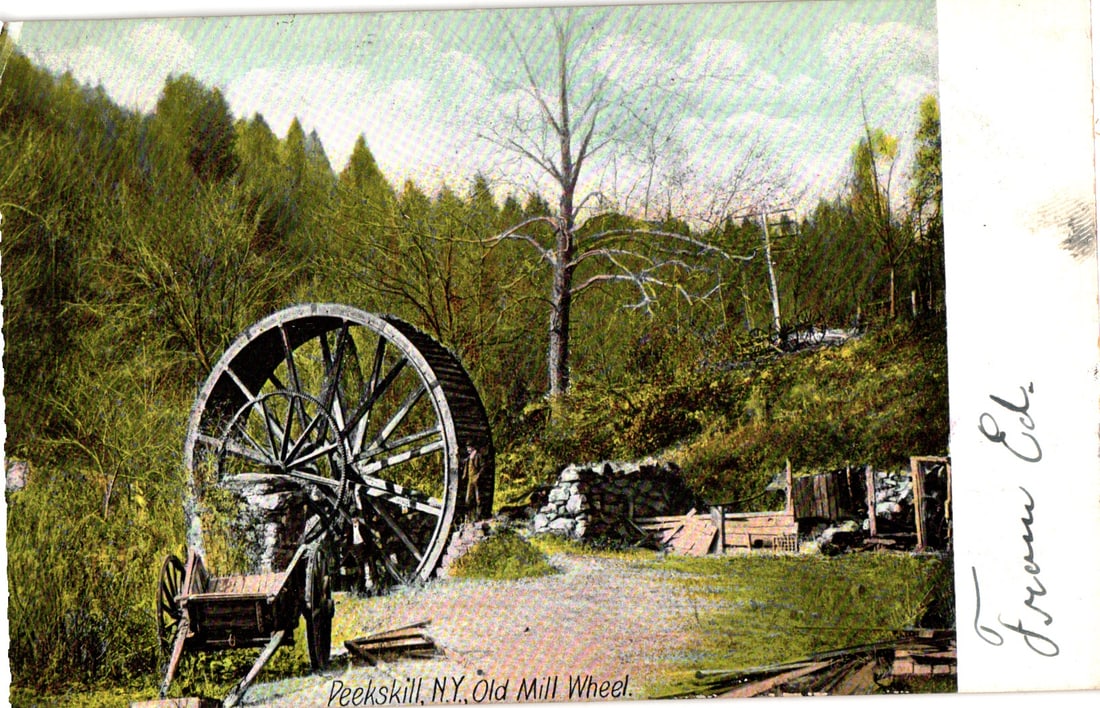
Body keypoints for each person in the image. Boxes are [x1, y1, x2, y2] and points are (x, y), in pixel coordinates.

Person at [464, 444, 482, 519]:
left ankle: (478, 516)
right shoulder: (469, 457)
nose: (468, 449)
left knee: (478, 498)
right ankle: (468, 517)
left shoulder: (478, 456)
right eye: (467, 448)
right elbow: (465, 464)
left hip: (476, 479)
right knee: (468, 498)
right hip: (470, 479)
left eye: (469, 448)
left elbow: (483, 466)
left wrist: (478, 476)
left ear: (472, 447)